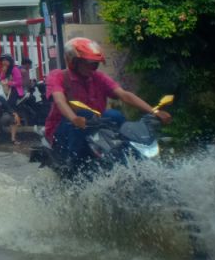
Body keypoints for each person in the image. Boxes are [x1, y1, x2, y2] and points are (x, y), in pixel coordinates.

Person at [44, 37, 172, 172]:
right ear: (74, 61)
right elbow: (59, 100)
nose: (92, 68)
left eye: (95, 64)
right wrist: (74, 119)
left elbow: (125, 95)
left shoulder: (98, 77)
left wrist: (154, 112)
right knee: (84, 114)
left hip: (94, 124)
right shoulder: (58, 76)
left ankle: (131, 163)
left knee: (115, 115)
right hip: (63, 129)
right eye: (88, 63)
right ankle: (73, 166)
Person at [0, 54, 22, 143]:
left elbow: (19, 82)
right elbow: (1, 80)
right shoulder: (4, 70)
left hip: (15, 91)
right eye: (2, 61)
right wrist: (3, 72)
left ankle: (14, 121)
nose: (4, 62)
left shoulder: (15, 69)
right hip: (5, 91)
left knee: (9, 107)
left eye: (5, 60)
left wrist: (9, 83)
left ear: (10, 61)